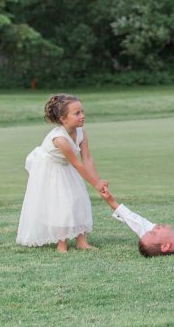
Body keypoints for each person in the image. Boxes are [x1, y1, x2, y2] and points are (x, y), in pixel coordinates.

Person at [16, 94, 108, 252]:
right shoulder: (60, 139)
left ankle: (81, 241)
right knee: (61, 204)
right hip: (50, 168)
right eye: (77, 113)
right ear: (63, 119)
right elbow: (77, 164)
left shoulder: (81, 132)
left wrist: (97, 181)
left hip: (66, 166)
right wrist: (95, 184)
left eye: (82, 112)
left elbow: (86, 158)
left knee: (78, 199)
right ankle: (61, 244)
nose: (82, 116)